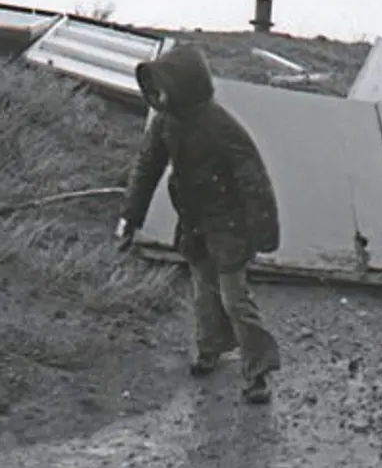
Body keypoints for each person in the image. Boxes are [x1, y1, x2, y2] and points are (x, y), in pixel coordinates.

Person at [114, 44, 282, 405]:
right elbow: (147, 168)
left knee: (235, 299)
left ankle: (258, 373)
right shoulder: (165, 122)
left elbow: (253, 178)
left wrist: (263, 230)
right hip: (194, 221)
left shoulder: (221, 126)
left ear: (184, 84)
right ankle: (210, 350)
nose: (158, 94)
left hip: (229, 225)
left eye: (164, 84)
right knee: (203, 291)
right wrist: (131, 216)